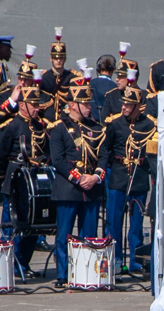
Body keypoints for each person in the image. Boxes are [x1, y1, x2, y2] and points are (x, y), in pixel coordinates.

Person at [49, 78, 106, 286]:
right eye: (84, 103)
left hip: (91, 188)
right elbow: (58, 160)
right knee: (64, 234)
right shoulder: (59, 128)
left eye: (89, 103)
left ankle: (86, 273)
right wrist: (78, 178)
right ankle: (63, 274)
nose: (89, 107)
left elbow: (103, 155)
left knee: (89, 235)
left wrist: (96, 176)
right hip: (68, 188)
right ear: (72, 104)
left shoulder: (97, 128)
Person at [0, 80, 49, 272]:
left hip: (34, 179)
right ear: (23, 105)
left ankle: (23, 262)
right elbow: (1, 152)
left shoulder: (40, 125)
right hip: (15, 177)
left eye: (37, 105)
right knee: (12, 223)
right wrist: (2, 176)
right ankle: (8, 264)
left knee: (33, 223)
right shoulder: (12, 124)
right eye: (33, 105)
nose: (36, 108)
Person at [102, 86, 154, 274]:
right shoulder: (115, 124)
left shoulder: (148, 125)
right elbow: (106, 150)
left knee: (137, 224)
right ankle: (115, 259)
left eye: (128, 104)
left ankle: (136, 260)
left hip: (138, 178)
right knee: (114, 221)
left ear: (137, 106)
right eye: (123, 103)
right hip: (118, 177)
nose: (123, 107)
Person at [89, 55, 117, 123]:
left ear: (98, 70)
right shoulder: (115, 87)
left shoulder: (89, 84)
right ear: (113, 70)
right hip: (108, 124)